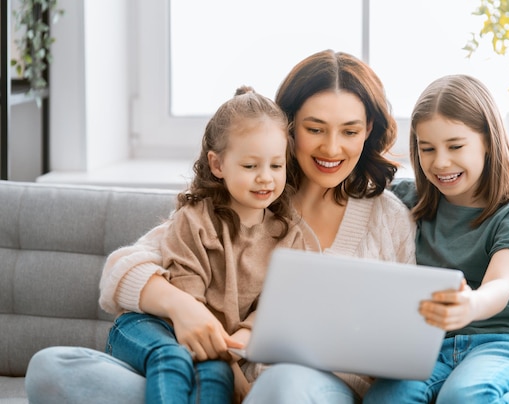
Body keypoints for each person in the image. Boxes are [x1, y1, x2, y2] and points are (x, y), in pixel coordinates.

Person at [24, 49, 416, 404]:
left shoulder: (388, 218)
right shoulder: (248, 197)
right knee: (52, 369)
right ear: (289, 128)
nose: (332, 149)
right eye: (315, 129)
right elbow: (123, 270)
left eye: (349, 131)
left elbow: (403, 336)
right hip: (205, 377)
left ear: (369, 131)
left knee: (286, 387)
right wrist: (185, 310)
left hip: (311, 390)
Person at [363, 74, 509, 404]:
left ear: (487, 140)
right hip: (427, 347)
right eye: (427, 148)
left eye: (455, 146)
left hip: (502, 343)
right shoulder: (407, 200)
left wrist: (470, 304)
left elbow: (500, 285)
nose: (440, 162)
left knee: (464, 397)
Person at [103, 86, 309, 404]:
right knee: (174, 359)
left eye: (276, 165)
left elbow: (271, 312)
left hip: (212, 347)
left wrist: (231, 358)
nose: (266, 178)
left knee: (215, 374)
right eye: (250, 166)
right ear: (217, 165)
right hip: (152, 327)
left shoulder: (289, 236)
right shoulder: (194, 219)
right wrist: (234, 368)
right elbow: (190, 307)